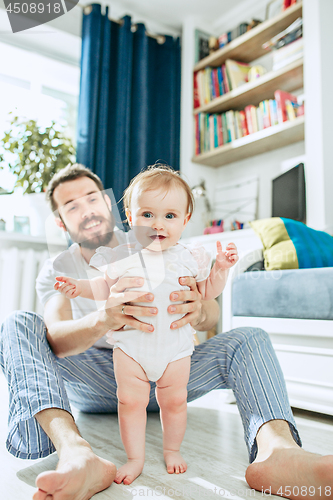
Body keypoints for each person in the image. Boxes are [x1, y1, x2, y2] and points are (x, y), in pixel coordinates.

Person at [0, 163, 332, 500]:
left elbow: (211, 311)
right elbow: (55, 338)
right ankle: (76, 454)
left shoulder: (166, 240)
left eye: (91, 198)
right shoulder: (64, 267)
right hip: (103, 376)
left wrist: (201, 308)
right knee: (17, 323)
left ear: (108, 202)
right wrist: (104, 318)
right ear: (60, 221)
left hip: (175, 369)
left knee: (250, 337)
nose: (86, 210)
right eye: (72, 206)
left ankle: (277, 453)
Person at [54, 165, 239, 484]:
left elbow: (207, 292)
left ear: (185, 220)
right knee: (130, 402)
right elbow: (101, 287)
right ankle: (135, 458)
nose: (158, 224)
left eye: (170, 216)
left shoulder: (189, 257)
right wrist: (78, 287)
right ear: (129, 215)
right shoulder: (121, 255)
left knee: (175, 401)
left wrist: (221, 269)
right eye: (147, 214)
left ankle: (172, 450)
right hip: (131, 349)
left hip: (176, 350)